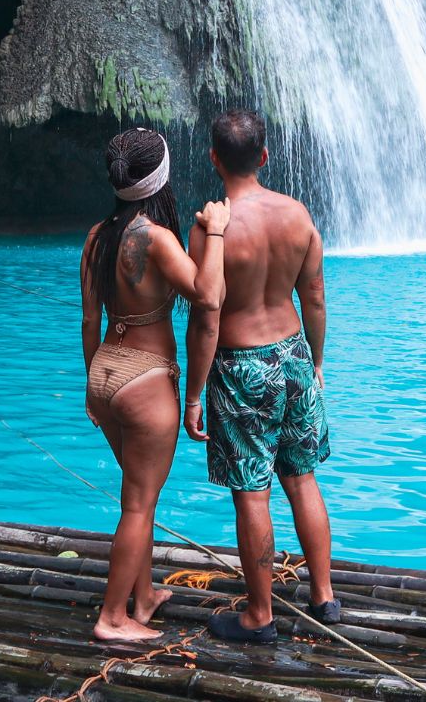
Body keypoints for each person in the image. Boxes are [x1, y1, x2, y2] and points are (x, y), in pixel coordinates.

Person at [182, 109, 338, 644]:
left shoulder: (210, 229)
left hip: (241, 365)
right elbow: (314, 297)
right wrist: (315, 361)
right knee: (303, 478)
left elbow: (206, 316)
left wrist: (195, 393)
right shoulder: (298, 214)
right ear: (266, 156)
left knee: (253, 494)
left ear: (213, 159)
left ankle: (259, 615)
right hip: (294, 353)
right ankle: (324, 595)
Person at [81, 127, 230, 643]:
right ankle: (112, 618)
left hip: (105, 372)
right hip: (145, 379)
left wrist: (89, 386)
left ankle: (143, 598)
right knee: (139, 505)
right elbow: (207, 296)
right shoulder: (157, 239)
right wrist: (216, 232)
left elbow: (88, 320)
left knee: (136, 495)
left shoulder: (97, 236)